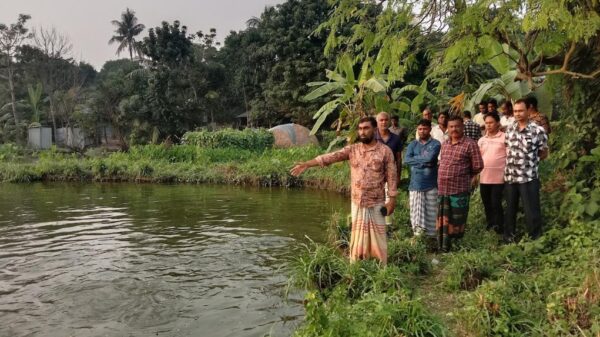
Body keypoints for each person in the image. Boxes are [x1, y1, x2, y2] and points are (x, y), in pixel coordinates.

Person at [290, 117, 397, 264]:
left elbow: (392, 176)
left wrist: (391, 199)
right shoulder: (353, 150)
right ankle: (357, 270)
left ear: (374, 129)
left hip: (376, 202)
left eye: (366, 128)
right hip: (358, 202)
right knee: (358, 239)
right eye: (360, 129)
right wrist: (308, 164)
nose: (362, 132)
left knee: (379, 240)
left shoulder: (385, 151)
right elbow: (331, 157)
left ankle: (380, 271)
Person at [437, 116, 484, 251]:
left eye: (457, 126)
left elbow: (478, 166)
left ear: (462, 127)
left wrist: (463, 174)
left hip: (459, 188)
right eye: (451, 127)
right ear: (448, 128)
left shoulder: (470, 144)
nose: (454, 129)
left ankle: (457, 246)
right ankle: (443, 245)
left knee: (457, 218)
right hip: (443, 189)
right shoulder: (445, 144)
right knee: (444, 219)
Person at [504, 99, 548, 242]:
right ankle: (509, 237)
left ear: (528, 111)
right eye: (515, 111)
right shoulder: (509, 129)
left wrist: (530, 163)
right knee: (510, 209)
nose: (518, 113)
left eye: (521, 110)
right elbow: (507, 148)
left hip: (528, 177)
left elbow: (544, 152)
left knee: (531, 210)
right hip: (511, 177)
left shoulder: (537, 130)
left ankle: (535, 239)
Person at [404, 119, 441, 237]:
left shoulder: (436, 144)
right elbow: (407, 159)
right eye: (420, 129)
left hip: (431, 183)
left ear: (430, 129)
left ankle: (431, 238)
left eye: (425, 129)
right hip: (416, 184)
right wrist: (424, 163)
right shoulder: (412, 144)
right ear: (417, 130)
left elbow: (430, 159)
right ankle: (418, 238)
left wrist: (416, 160)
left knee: (431, 212)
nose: (422, 131)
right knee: (416, 213)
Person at [478, 113, 506, 233]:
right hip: (484, 177)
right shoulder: (482, 140)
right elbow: (478, 158)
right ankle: (490, 226)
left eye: (491, 122)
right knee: (487, 203)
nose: (488, 125)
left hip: (499, 178)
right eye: (487, 123)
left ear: (498, 123)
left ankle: (499, 227)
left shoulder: (504, 137)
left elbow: (510, 156)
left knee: (496, 203)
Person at [375, 112, 403, 225]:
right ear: (377, 122)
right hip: (375, 174)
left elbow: (399, 158)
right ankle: (377, 222)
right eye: (381, 120)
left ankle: (388, 225)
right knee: (376, 198)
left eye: (386, 120)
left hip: (391, 174)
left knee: (389, 198)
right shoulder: (372, 137)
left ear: (389, 121)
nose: (383, 122)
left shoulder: (396, 138)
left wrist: (398, 175)